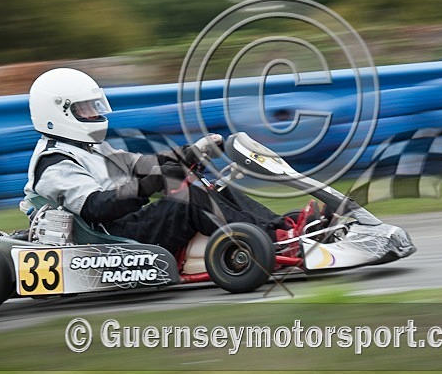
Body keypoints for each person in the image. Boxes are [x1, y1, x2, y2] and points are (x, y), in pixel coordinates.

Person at [22, 68, 284, 254]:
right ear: (60, 111)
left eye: (94, 106)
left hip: (131, 222)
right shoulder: (54, 161)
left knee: (216, 186)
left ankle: (283, 227)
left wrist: (189, 153)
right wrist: (151, 184)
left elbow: (141, 164)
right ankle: (266, 241)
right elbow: (95, 207)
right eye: (84, 109)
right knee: (189, 200)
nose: (93, 114)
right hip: (111, 238)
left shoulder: (89, 147)